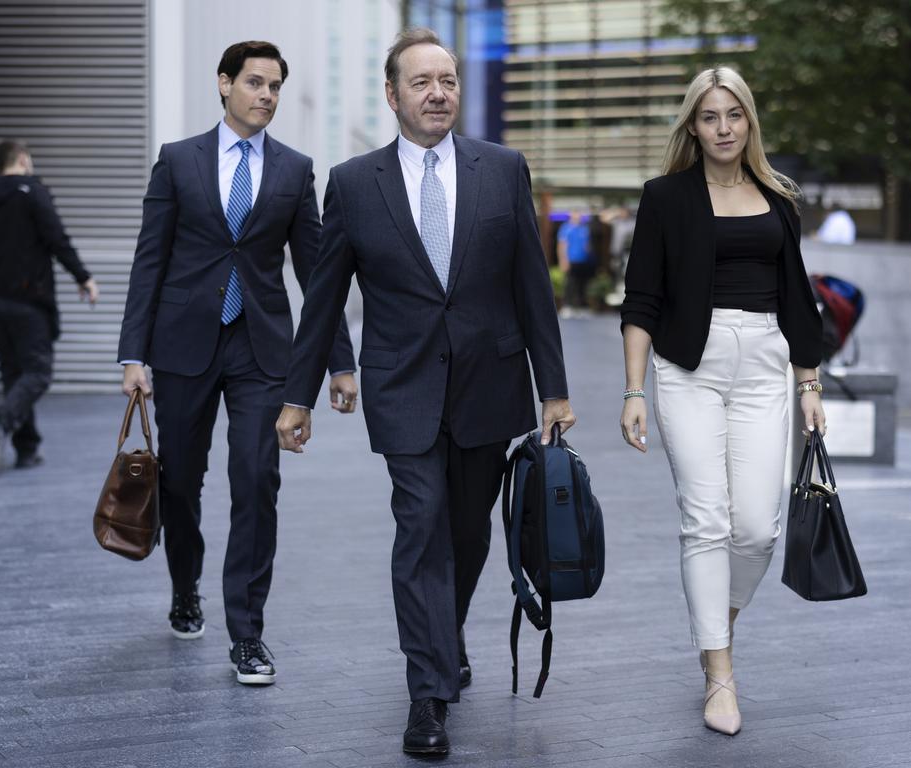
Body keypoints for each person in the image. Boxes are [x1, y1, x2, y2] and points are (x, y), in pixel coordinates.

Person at [275, 27, 575, 757]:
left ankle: (445, 636)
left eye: (447, 80)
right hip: (402, 386)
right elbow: (322, 298)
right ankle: (427, 695)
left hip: (490, 385)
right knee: (421, 529)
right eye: (422, 82)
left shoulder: (503, 169)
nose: (438, 92)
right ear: (392, 94)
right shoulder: (352, 183)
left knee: (468, 535)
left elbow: (532, 289)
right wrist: (298, 396)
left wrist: (555, 389)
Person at [117, 41, 358, 686]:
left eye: (276, 85)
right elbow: (150, 260)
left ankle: (247, 634)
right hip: (183, 346)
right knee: (180, 483)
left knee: (257, 480)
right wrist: (133, 353)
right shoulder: (177, 162)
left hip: (261, 351)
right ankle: (185, 585)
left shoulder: (293, 169)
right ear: (224, 84)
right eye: (255, 82)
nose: (267, 95)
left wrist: (339, 361)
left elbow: (318, 272)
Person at [618, 67, 826, 736]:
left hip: (766, 365)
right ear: (693, 125)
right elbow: (642, 298)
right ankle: (720, 672)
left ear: (750, 121)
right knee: (706, 521)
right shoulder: (666, 197)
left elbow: (800, 300)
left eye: (733, 115)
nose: (724, 128)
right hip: (691, 368)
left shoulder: (778, 200)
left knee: (758, 528)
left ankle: (715, 623)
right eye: (710, 117)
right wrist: (633, 389)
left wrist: (809, 384)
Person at [0, 139, 98, 475]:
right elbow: (56, 238)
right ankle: (0, 421)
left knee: (13, 374)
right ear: (21, 159)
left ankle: (27, 448)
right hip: (29, 299)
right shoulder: (32, 193)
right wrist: (84, 277)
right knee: (39, 372)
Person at [556, 211, 595, 311]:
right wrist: (563, 260)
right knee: (570, 283)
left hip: (583, 260)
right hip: (571, 259)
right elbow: (562, 245)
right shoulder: (566, 228)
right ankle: (567, 305)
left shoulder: (584, 228)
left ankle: (581, 306)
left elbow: (587, 245)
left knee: (582, 283)